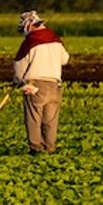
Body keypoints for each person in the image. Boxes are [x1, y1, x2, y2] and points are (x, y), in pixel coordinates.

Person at [12, 10, 69, 154]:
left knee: (33, 118)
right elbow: (65, 59)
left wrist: (19, 81)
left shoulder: (30, 41)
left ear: (29, 25)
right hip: (55, 85)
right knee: (50, 121)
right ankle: (49, 148)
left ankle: (36, 149)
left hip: (35, 84)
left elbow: (19, 64)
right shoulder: (56, 39)